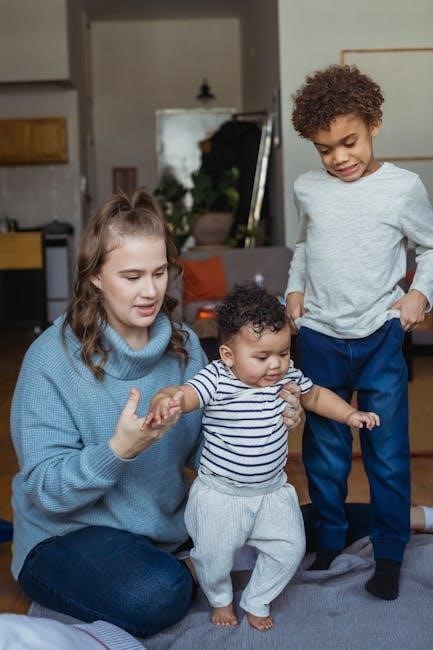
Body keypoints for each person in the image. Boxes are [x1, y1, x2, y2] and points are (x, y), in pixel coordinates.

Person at [9, 188, 302, 638]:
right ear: (95, 277)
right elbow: (46, 491)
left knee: (299, 525)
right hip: (67, 534)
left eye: (159, 272)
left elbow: (208, 448)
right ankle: (198, 565)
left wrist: (264, 419)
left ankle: (205, 558)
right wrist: (117, 451)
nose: (150, 291)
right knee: (156, 593)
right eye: (131, 276)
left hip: (165, 525)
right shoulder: (50, 359)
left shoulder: (184, 345)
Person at [147, 284, 379, 631]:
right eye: (262, 357)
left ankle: (257, 597)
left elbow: (315, 396)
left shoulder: (286, 377)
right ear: (228, 355)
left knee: (290, 548)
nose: (275, 364)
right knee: (212, 556)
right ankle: (220, 597)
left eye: (283, 353)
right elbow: (188, 393)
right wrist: (168, 399)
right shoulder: (217, 378)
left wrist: (349, 414)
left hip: (272, 492)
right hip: (220, 496)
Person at [286, 64, 433, 601]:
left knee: (387, 453)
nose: (339, 158)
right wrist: (294, 290)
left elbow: (431, 247)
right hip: (319, 339)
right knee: (324, 455)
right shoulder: (308, 188)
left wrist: (420, 294)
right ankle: (329, 542)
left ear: (374, 124)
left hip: (379, 339)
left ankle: (389, 552)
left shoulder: (402, 188)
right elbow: (305, 246)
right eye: (324, 149)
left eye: (349, 142)